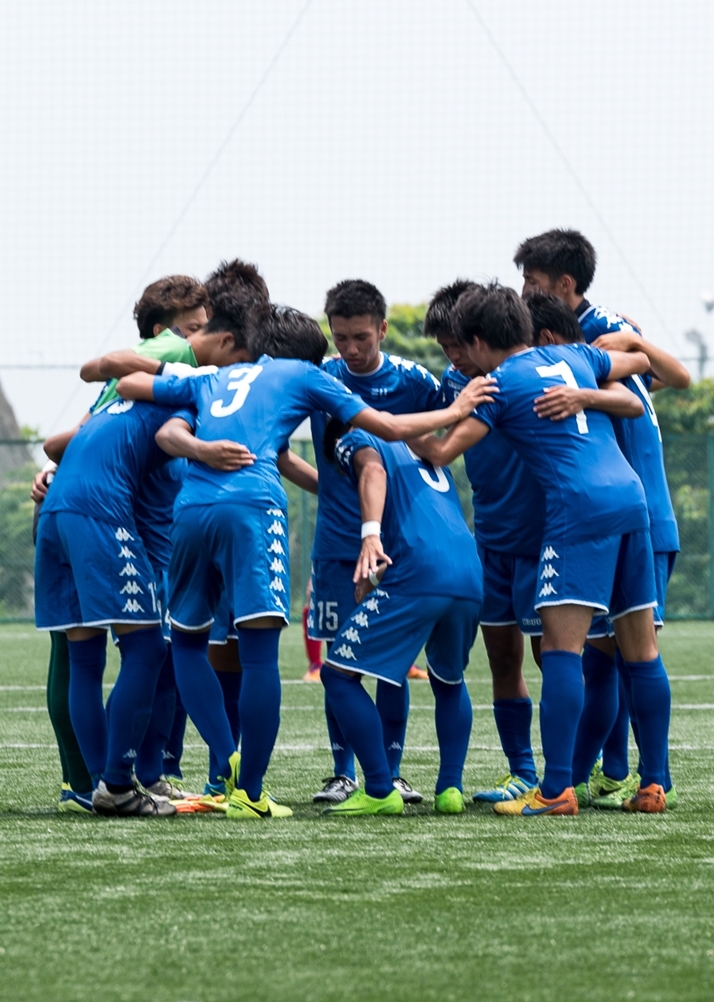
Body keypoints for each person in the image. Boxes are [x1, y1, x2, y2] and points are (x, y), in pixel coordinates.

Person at [116, 308, 487, 819]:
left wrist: (198, 442)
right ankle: (253, 792)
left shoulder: (213, 376)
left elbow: (133, 390)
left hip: (191, 509)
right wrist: (457, 408)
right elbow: (388, 426)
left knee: (187, 641)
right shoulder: (306, 375)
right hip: (257, 507)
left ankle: (227, 761)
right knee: (264, 656)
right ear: (313, 356)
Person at [410, 283, 672, 816]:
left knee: (559, 651)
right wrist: (586, 395)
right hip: (631, 502)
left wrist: (394, 424)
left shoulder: (498, 385)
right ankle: (654, 784)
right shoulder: (574, 355)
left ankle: (554, 790)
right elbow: (635, 387)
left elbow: (440, 451)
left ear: (480, 341)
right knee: (641, 649)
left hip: (577, 512)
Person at [515, 228, 687, 808]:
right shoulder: (596, 337)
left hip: (622, 511)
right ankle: (622, 774)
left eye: (531, 284)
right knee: (616, 651)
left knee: (604, 653)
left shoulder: (581, 339)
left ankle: (579, 776)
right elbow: (657, 379)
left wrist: (624, 344)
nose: (523, 293)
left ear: (563, 287)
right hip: (639, 509)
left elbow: (667, 378)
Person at [31, 273, 211, 812]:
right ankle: (116, 782)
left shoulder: (121, 395)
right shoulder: (179, 372)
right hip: (104, 515)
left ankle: (99, 785)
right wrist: (210, 450)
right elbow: (163, 430)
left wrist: (53, 468)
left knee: (86, 659)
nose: (196, 343)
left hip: (62, 511)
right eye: (192, 333)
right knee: (150, 648)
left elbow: (67, 437)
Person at [308, 279, 443, 806]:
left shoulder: (414, 381)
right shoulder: (320, 380)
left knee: (389, 661)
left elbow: (458, 427)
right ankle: (343, 772)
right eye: (340, 337)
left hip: (397, 551)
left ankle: (391, 769)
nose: (350, 348)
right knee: (336, 661)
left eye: (361, 336)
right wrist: (321, 486)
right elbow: (274, 444)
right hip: (337, 545)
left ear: (383, 330)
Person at [318, 420, 484, 816]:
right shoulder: (417, 442)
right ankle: (450, 789)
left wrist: (369, 535)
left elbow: (372, 471)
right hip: (469, 571)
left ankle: (378, 787)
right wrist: (376, 577)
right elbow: (425, 527)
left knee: (337, 674)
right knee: (449, 680)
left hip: (421, 574)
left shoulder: (352, 436)